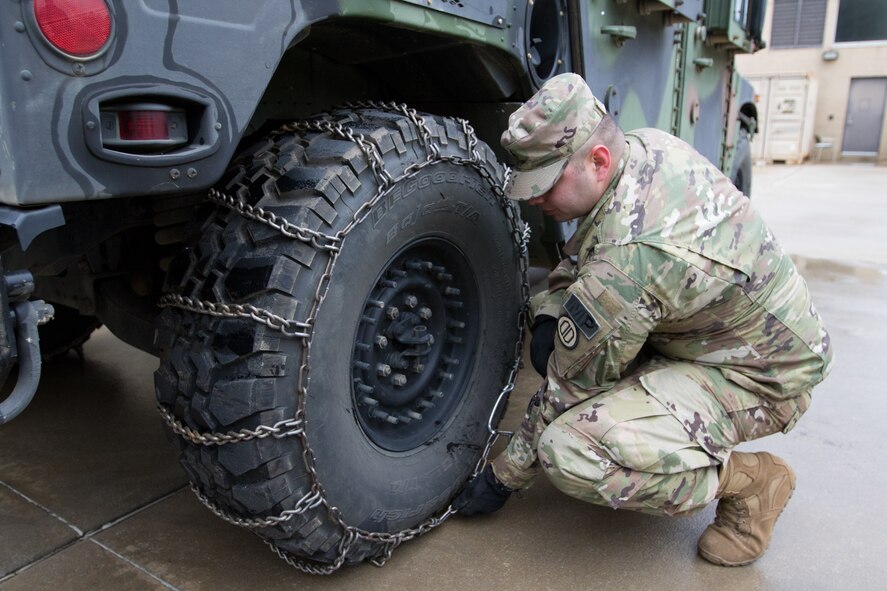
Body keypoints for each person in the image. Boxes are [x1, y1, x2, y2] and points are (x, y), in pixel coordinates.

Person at [453, 73, 834, 567]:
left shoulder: (633, 260)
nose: (533, 199)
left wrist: (502, 478)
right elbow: (586, 252)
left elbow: (569, 385)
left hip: (763, 376)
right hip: (716, 334)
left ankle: (752, 483)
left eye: (546, 184)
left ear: (598, 161)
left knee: (569, 449)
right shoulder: (642, 151)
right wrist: (551, 315)